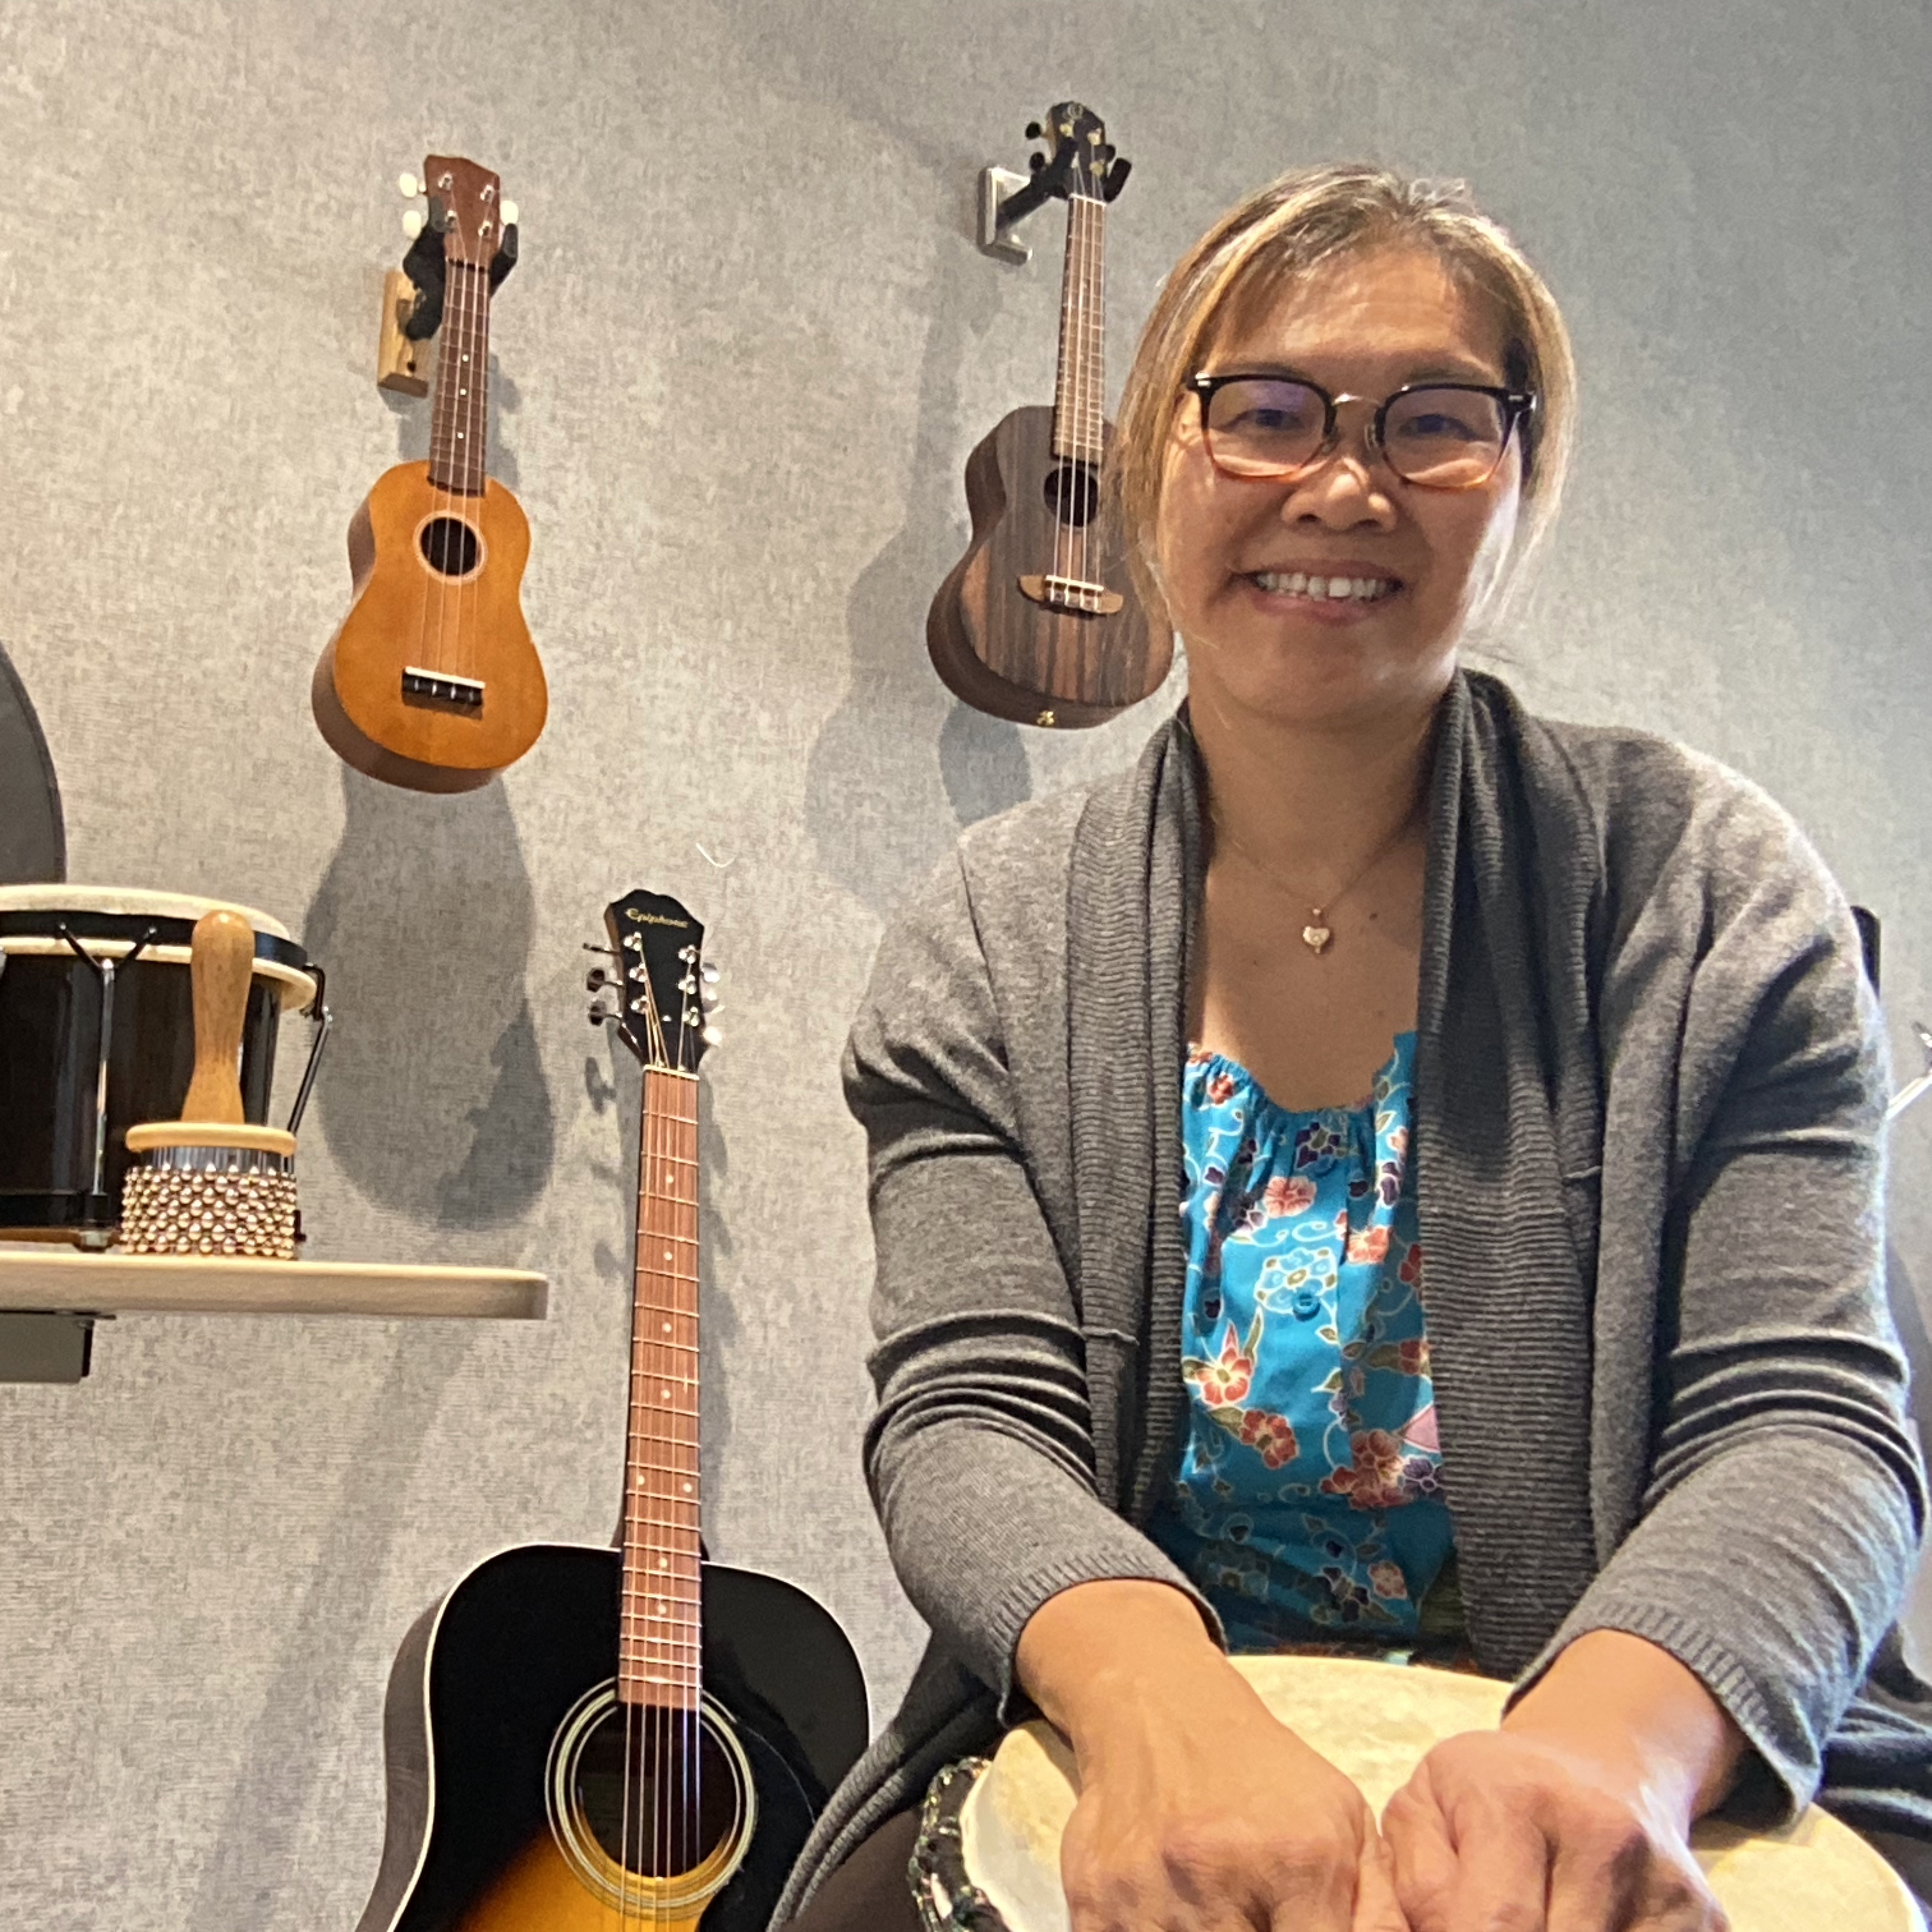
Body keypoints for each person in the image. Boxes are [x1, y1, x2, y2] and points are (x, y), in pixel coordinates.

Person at [776, 164, 1932, 1932]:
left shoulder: (1709, 892)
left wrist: (1609, 1751)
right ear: (1153, 452)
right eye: (1265, 411)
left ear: (1521, 477)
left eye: (1437, 421)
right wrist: (1171, 1721)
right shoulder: (990, 935)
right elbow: (968, 1421)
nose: (1340, 480)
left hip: (1653, 1740)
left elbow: (1806, 1423)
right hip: (1143, 1723)